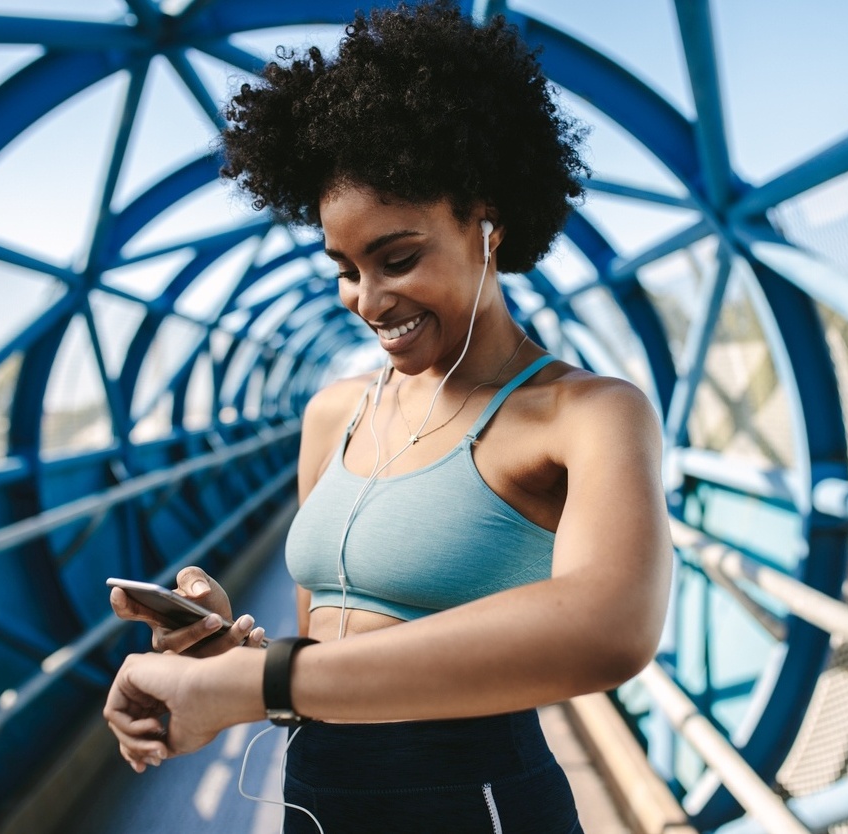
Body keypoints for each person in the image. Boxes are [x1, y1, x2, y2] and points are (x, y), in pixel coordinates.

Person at [104, 2, 672, 831]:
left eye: (398, 259)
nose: (368, 301)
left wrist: (256, 685)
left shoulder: (584, 413)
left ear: (489, 224)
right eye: (345, 268)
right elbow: (324, 659)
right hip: (316, 798)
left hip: (476, 805)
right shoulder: (333, 413)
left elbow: (610, 626)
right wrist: (231, 655)